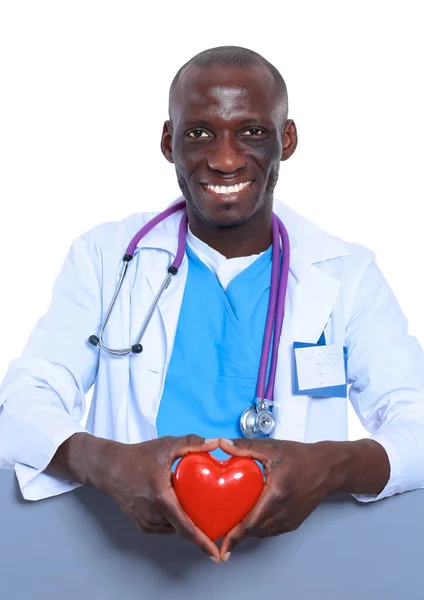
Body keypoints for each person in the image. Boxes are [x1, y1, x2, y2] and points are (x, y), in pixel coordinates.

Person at [1, 45, 424, 565]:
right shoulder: (106, 257)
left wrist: (335, 464)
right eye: (199, 133)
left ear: (286, 140)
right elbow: (23, 402)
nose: (225, 159)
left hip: (302, 568)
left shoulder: (346, 273)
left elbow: (417, 420)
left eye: (253, 132)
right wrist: (107, 462)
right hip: (124, 562)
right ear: (167, 141)